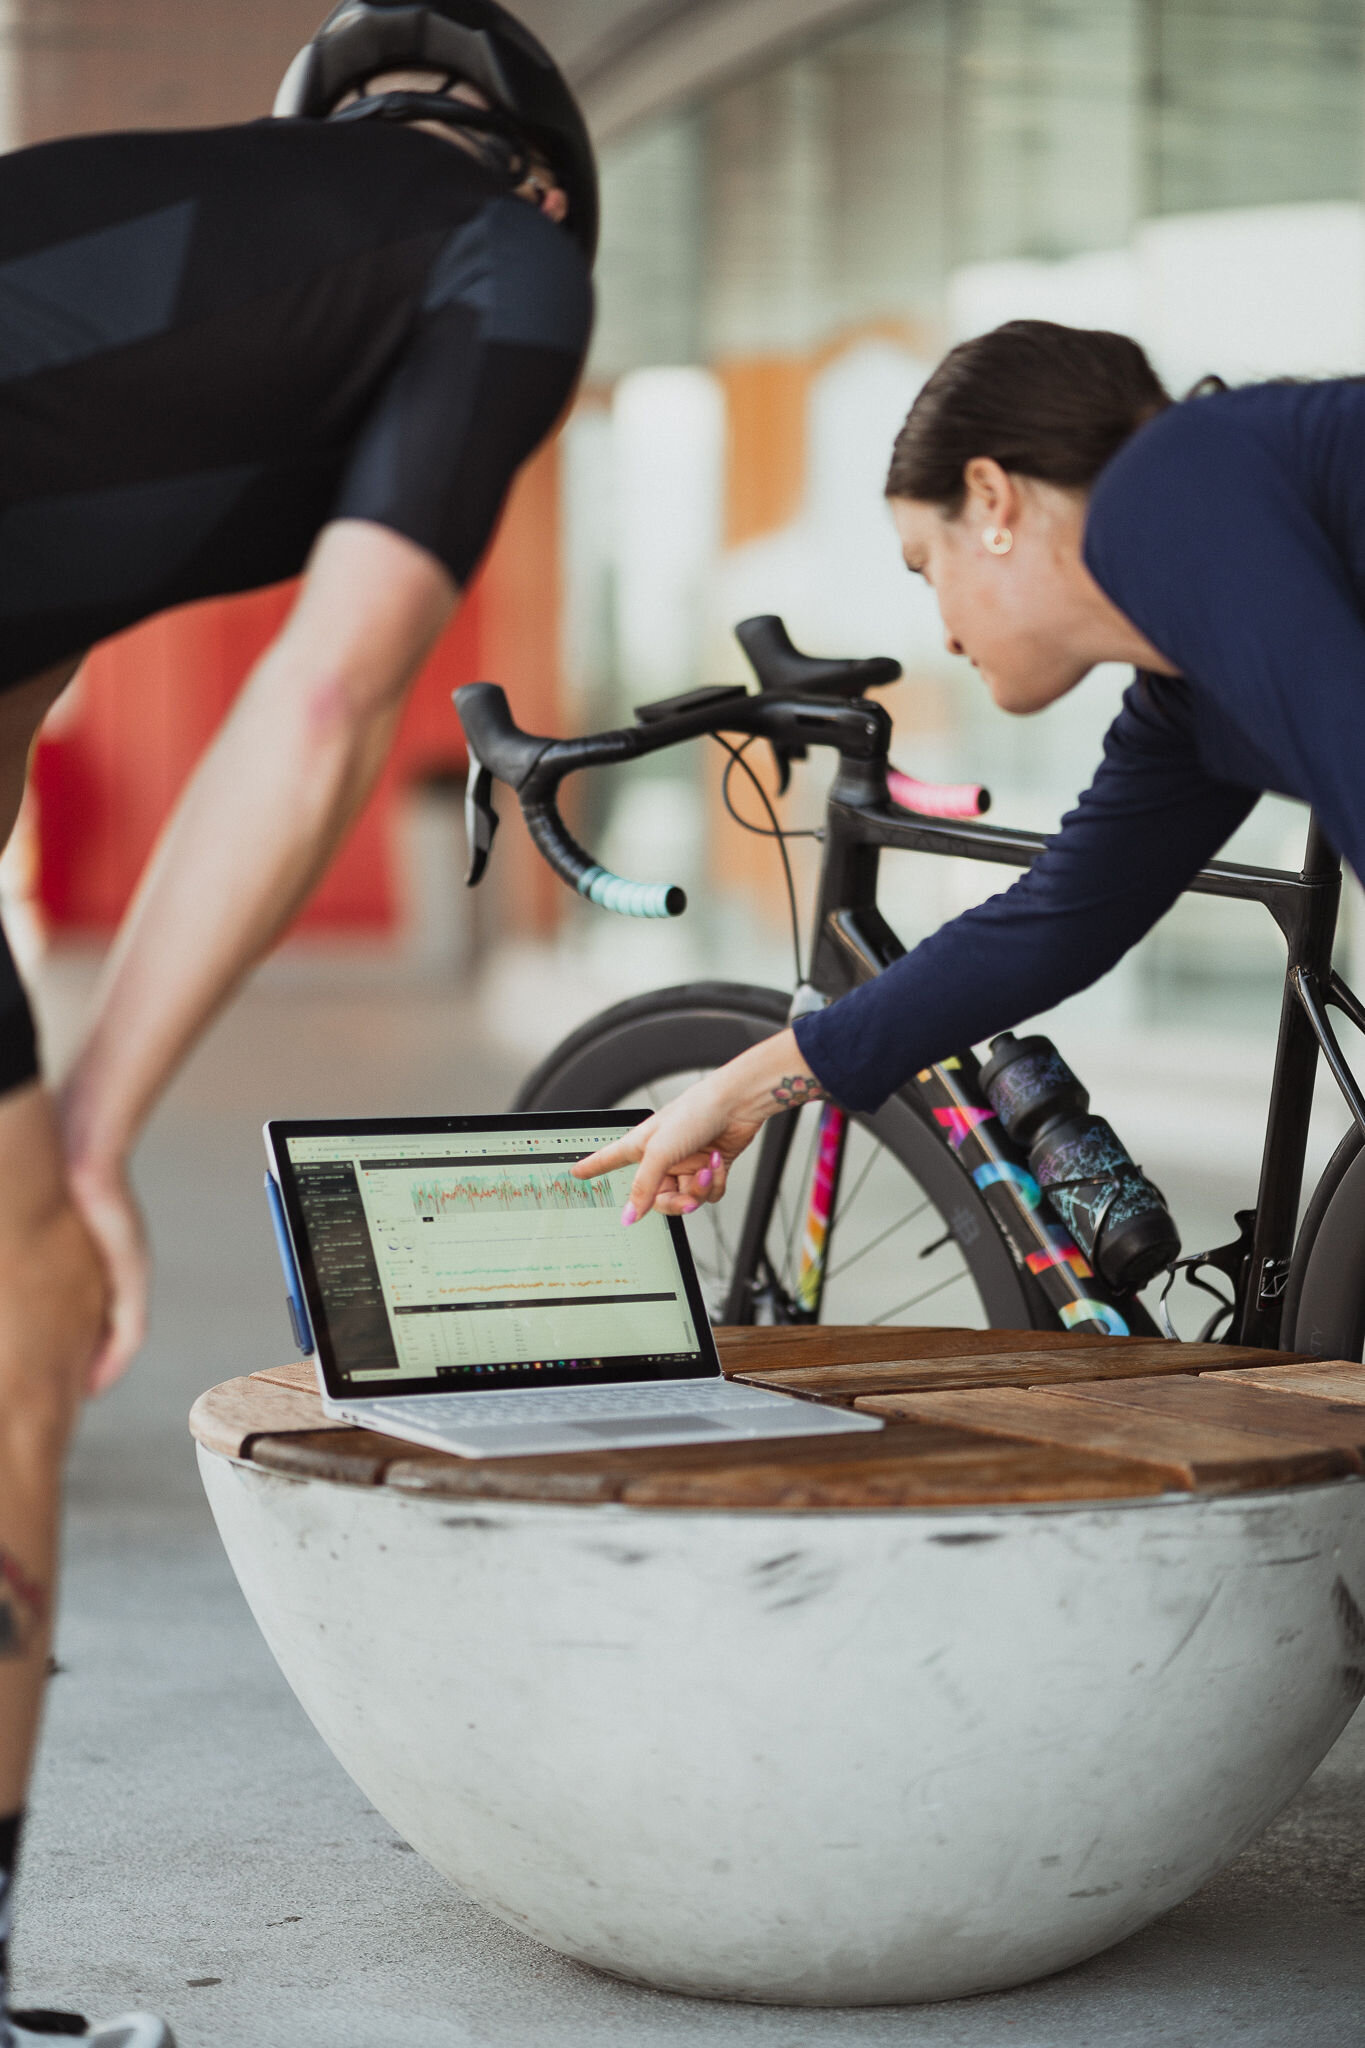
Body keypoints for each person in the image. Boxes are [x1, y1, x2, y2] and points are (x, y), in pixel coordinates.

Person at [0, 5, 594, 2040]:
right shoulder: (499, 258)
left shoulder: (156, 250)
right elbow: (327, 703)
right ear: (536, 168)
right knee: (17, 1302)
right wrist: (83, 1135)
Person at [576, 320, 1365, 1230]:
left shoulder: (1173, 486)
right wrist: (736, 1091)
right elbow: (1049, 926)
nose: (945, 633)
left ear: (990, 499)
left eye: (924, 566)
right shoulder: (1182, 691)